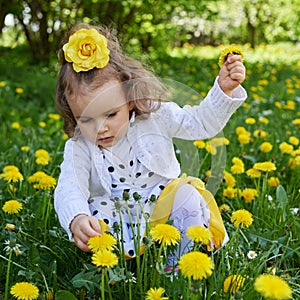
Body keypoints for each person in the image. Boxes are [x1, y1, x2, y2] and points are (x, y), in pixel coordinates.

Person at [54, 23, 247, 258]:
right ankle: (120, 271)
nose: (100, 128)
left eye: (111, 114)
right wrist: (77, 218)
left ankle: (181, 264)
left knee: (188, 196)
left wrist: (223, 91)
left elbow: (200, 123)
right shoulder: (78, 147)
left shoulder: (156, 117)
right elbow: (69, 187)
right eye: (85, 120)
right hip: (115, 217)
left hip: (161, 206)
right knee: (96, 221)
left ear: (130, 99)